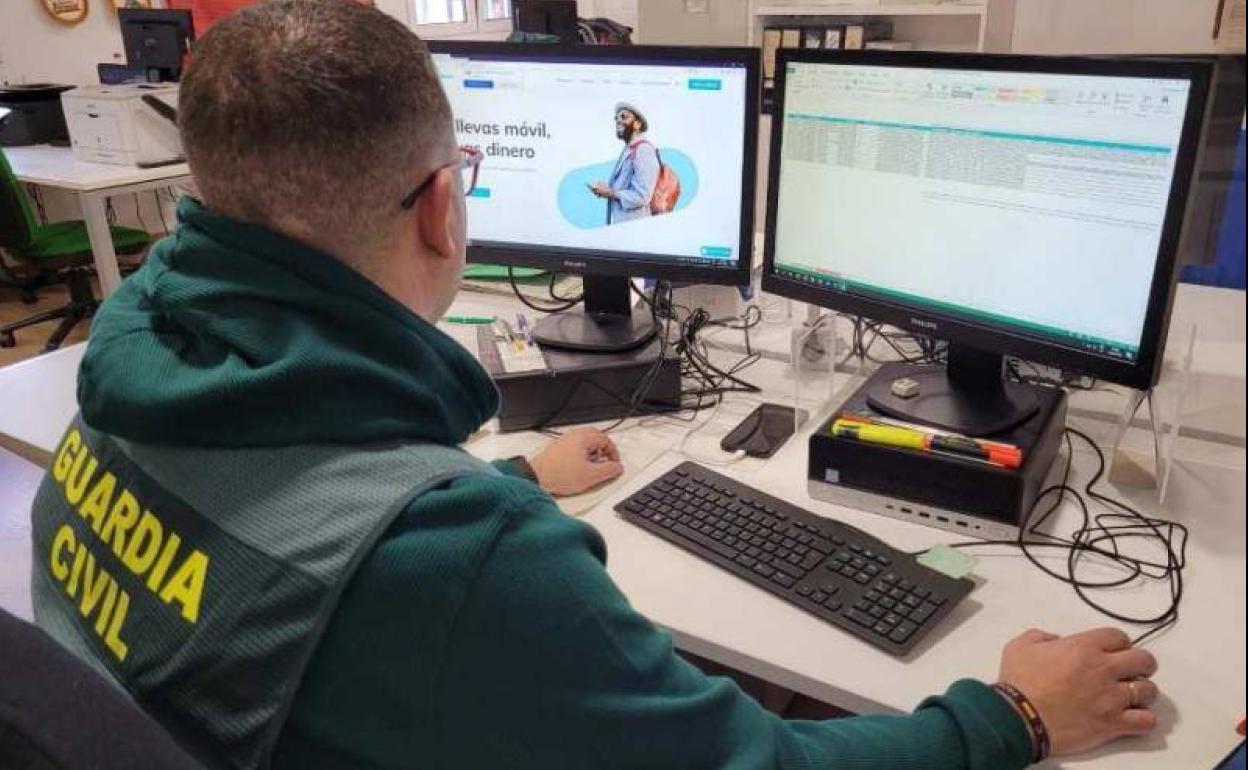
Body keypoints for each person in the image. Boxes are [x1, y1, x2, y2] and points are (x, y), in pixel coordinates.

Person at [29, 2, 1161, 769]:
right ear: (442, 204)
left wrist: (519, 472)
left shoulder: (135, 379)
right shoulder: (466, 556)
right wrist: (1011, 715)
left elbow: (297, 522)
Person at [590, 102, 660, 225]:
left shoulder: (643, 149)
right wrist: (606, 189)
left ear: (637, 124)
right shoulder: (628, 150)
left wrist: (610, 193)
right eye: (616, 118)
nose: (618, 121)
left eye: (623, 117)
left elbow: (642, 196)